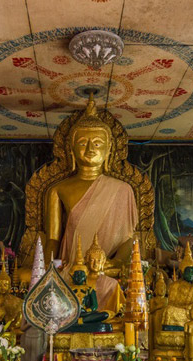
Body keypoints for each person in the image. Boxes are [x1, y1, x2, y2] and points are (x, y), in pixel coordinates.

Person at [43, 94, 138, 266]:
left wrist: (115, 262)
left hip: (107, 269)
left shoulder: (123, 189)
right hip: (72, 266)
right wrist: (44, 270)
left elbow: (129, 239)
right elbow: (53, 239)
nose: (90, 149)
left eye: (97, 143)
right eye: (82, 143)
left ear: (108, 149)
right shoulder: (58, 190)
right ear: (71, 149)